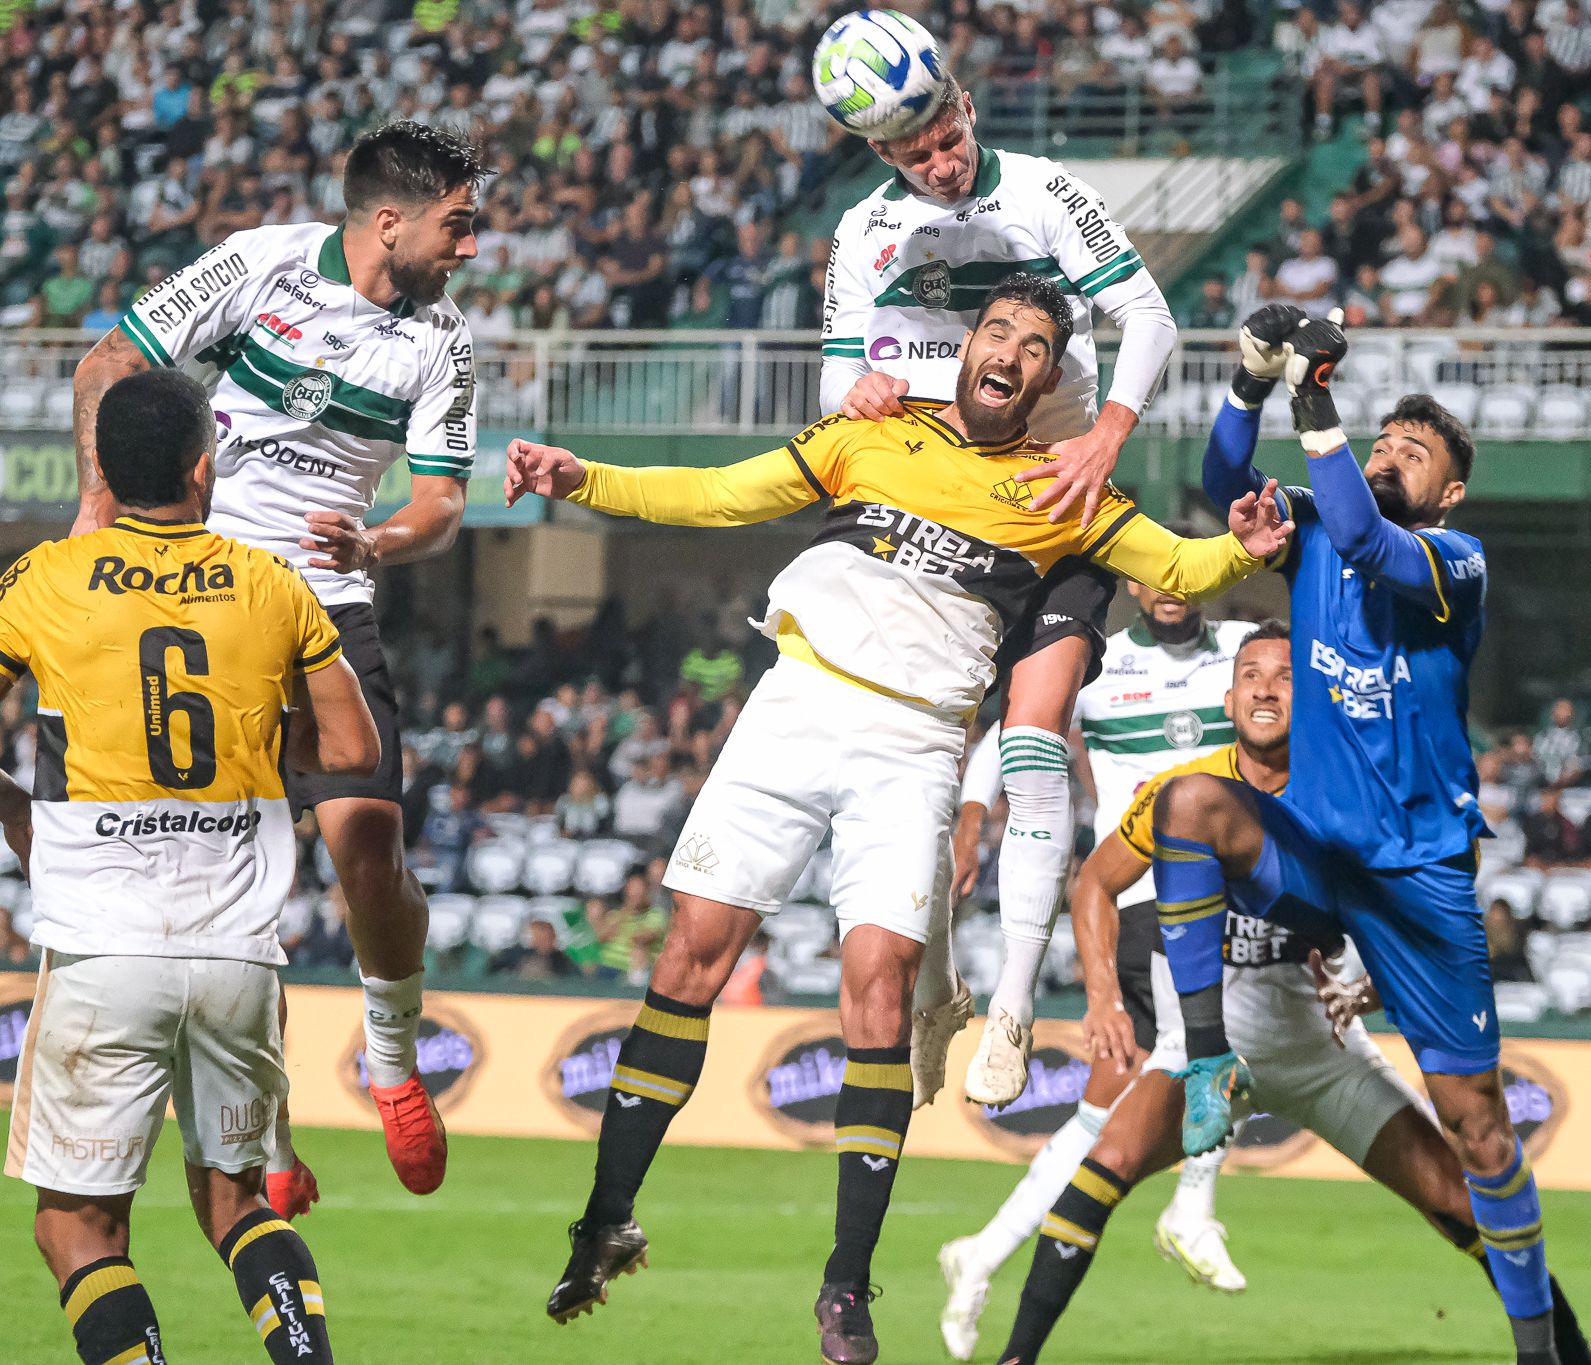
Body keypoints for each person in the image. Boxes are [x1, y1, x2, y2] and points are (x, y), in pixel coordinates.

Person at [504, 274, 1288, 1360]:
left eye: (1036, 342)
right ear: (966, 348)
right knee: (690, 954)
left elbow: (1183, 565)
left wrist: (1247, 542)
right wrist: (579, 475)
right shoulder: (870, 433)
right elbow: (719, 496)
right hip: (793, 704)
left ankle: (845, 1287)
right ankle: (604, 1221)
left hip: (916, 743)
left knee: (875, 987)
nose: (1011, 349)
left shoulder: (1063, 487)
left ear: (1049, 378)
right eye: (998, 330)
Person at [988, 624, 1591, 1365]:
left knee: (1465, 1206)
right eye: (1250, 675)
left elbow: (1428, 902)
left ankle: (1571, 1353)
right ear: (1229, 695)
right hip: (1205, 1049)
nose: (1265, 688)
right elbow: (1094, 882)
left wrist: (1370, 985)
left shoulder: (1344, 793)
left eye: (1283, 676)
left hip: (1321, 1049)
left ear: (1312, 702)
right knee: (1099, 1173)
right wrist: (1103, 996)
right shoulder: (1189, 792)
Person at [68, 120, 486, 1201]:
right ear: (387, 222)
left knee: (368, 841)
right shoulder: (258, 265)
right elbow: (111, 361)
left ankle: (393, 1066)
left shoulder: (443, 340)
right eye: (458, 224)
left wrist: (380, 538)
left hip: (329, 602)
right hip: (204, 608)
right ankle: (272, 1133)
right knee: (231, 890)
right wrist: (92, 511)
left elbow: (441, 498)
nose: (472, 249)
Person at [1175, 307, 1575, 1364]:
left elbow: (1363, 535)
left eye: (1415, 452)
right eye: (1383, 441)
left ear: (1448, 491)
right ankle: (1204, 1059)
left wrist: (1316, 397)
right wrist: (1253, 381)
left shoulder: (1455, 559)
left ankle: (1540, 1347)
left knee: (1477, 1130)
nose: (1392, 454)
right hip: (1314, 855)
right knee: (1187, 808)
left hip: (1415, 881)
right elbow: (1219, 484)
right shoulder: (1311, 519)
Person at [819, 62, 1183, 1107]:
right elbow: (830, 384)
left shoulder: (1046, 192)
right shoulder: (863, 234)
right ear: (881, 155)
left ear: (966, 106)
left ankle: (1016, 1004)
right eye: (912, 153)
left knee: (1031, 739)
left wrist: (1108, 434)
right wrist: (862, 388)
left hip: (1057, 513)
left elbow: (1149, 319)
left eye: (945, 136)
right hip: (942, 515)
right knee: (922, 778)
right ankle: (939, 989)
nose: (939, 163)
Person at [2, 368, 380, 1365]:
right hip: (235, 950)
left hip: (101, 951)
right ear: (203, 466)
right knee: (238, 1204)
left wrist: (22, 815)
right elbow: (350, 751)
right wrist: (257, 736)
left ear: (102, 469)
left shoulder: (41, 580)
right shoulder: (270, 582)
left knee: (77, 1230)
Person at [941, 583, 1265, 1334]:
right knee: (1223, 1035)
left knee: (1103, 1108)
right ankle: (1194, 1208)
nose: (1170, 591)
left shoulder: (1248, 654)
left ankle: (981, 1254)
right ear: (1136, 586)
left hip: (1229, 888)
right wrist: (972, 815)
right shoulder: (1105, 662)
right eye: (1154, 575)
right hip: (1144, 895)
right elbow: (1007, 736)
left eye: (1185, 577)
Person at [491, 917, 578, 979]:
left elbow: (571, 979)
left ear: (553, 938)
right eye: (537, 937)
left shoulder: (561, 960)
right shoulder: (513, 954)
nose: (541, 942)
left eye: (545, 938)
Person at [1522, 787, 1578, 868]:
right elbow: (1528, 847)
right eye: (1547, 799)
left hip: (1558, 864)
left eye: (1553, 800)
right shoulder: (1532, 822)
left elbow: (1569, 848)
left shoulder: (1564, 823)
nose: (1550, 803)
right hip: (1535, 863)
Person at [1487, 900, 1537, 982]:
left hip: (1512, 975)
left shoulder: (1518, 934)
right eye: (1493, 911)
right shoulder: (1483, 935)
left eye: (1499, 912)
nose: (1495, 916)